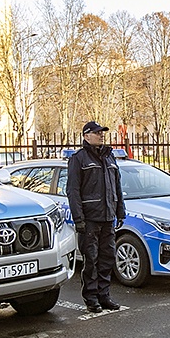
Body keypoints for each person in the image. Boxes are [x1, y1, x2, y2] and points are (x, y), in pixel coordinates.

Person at [67, 121, 126, 313]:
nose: (101, 135)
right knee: (90, 260)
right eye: (97, 132)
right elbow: (73, 191)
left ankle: (104, 296)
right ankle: (91, 298)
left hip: (108, 218)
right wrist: (79, 219)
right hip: (90, 220)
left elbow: (117, 188)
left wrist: (120, 212)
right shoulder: (79, 159)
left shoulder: (109, 158)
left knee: (107, 258)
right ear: (86, 136)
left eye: (102, 133)